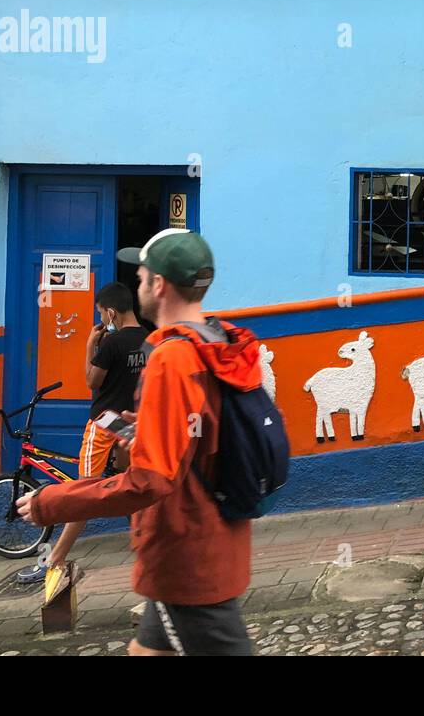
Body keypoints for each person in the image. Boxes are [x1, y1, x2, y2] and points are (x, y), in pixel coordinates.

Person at [18, 229, 262, 655]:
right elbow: (199, 438)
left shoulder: (172, 358)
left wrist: (53, 502)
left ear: (159, 285)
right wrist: (149, 428)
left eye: (142, 276)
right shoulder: (216, 341)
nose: (138, 285)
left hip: (185, 554)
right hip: (208, 542)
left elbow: (150, 480)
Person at [15, 282, 147, 584]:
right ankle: (147, 546)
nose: (102, 319)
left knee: (84, 492)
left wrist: (90, 346)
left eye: (102, 313)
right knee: (133, 485)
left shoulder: (111, 345)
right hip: (131, 424)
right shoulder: (149, 340)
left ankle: (55, 559)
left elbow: (92, 380)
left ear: (111, 312)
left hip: (104, 423)